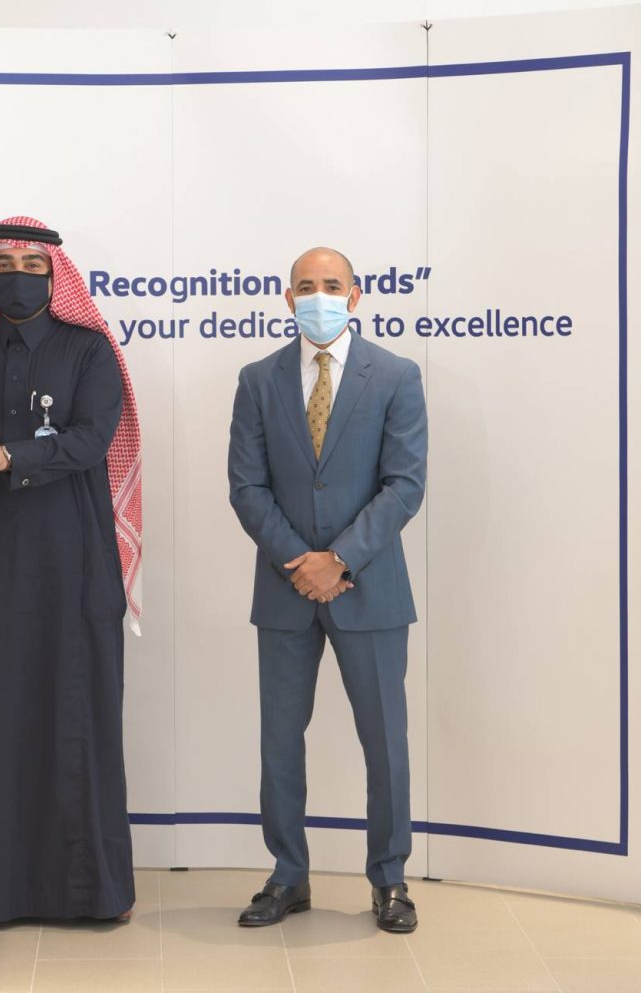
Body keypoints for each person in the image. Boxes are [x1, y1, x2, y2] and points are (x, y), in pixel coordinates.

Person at [0, 215, 143, 926]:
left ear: (55, 277)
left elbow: (92, 440)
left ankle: (88, 891)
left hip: (71, 563)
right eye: (4, 265)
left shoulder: (89, 351)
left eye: (32, 265)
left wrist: (11, 454)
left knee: (75, 714)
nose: (17, 276)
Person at [227, 246, 428, 933]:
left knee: (385, 741)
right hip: (285, 589)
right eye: (306, 286)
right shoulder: (258, 380)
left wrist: (339, 560)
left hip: (370, 590)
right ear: (288, 299)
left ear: (356, 295)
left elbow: (404, 484)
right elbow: (246, 486)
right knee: (280, 741)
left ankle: (390, 879)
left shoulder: (396, 376)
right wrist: (299, 561)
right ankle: (288, 875)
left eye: (332, 285)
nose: (319, 295)